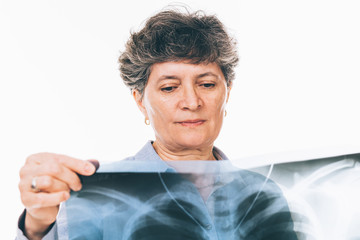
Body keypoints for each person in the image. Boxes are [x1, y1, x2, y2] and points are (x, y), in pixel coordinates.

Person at [17, 8, 298, 240]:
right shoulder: (100, 193)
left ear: (228, 91)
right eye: (169, 88)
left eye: (207, 84)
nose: (191, 101)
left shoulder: (264, 192)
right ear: (140, 101)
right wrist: (37, 225)